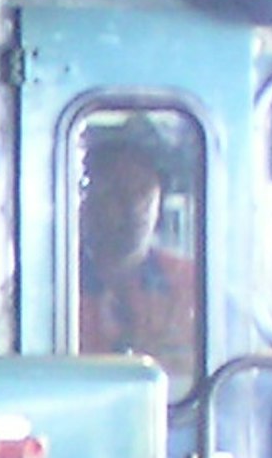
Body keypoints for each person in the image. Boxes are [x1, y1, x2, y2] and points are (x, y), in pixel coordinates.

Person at [77, 131, 200, 386]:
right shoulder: (52, 286)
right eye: (116, 193)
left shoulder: (193, 283)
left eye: (143, 191)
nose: (132, 206)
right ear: (86, 203)